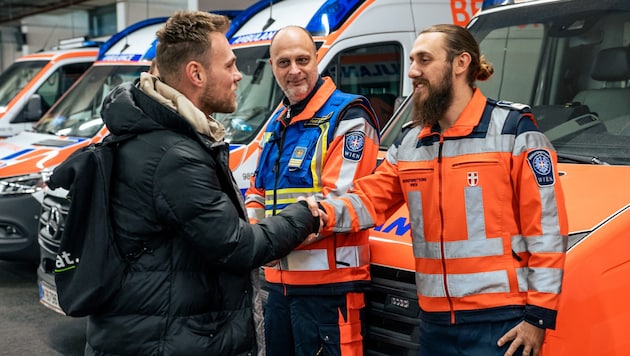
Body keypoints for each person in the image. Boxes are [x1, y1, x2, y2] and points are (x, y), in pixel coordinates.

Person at [313, 24, 568, 356]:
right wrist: (315, 213)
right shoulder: (411, 142)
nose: (412, 71)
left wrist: (538, 318)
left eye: (424, 60)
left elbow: (547, 229)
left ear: (460, 63)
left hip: (500, 324)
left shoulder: (513, 132)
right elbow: (368, 199)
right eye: (413, 60)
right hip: (434, 324)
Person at [85, 11, 322, 356]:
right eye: (228, 65)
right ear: (196, 73)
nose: (239, 75)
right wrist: (303, 216)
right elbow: (238, 246)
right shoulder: (174, 156)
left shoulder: (154, 135)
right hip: (166, 341)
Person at [244, 26, 380, 356]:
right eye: (283, 62)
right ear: (273, 67)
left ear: (318, 58)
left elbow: (336, 203)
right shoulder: (278, 122)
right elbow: (256, 193)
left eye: (303, 59)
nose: (294, 71)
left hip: (330, 290)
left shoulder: (349, 117)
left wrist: (268, 242)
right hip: (278, 288)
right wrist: (257, 238)